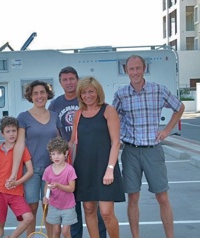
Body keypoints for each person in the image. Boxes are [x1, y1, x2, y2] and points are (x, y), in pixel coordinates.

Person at [112, 54, 185, 238]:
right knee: (133, 197)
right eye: (131, 69)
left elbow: (179, 107)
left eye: (138, 68)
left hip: (153, 151)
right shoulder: (121, 94)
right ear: (126, 71)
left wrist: (167, 130)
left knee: (162, 197)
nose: (135, 72)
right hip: (130, 151)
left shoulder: (158, 90)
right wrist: (117, 138)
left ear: (144, 69)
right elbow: (113, 118)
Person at [48, 66, 107, 238]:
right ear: (60, 83)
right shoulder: (56, 104)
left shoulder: (87, 99)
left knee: (92, 205)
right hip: (69, 161)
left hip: (90, 158)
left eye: (71, 79)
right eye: (65, 80)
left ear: (77, 79)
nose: (69, 83)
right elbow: (54, 129)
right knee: (71, 205)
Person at [70, 76, 125, 238]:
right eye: (84, 92)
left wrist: (110, 169)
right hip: (84, 168)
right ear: (80, 95)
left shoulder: (108, 110)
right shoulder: (78, 114)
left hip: (104, 167)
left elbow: (116, 143)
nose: (88, 95)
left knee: (106, 213)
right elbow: (73, 142)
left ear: (97, 92)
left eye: (91, 91)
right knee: (88, 209)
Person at [9, 80, 61, 237]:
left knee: (49, 209)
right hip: (31, 171)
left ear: (47, 94)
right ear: (30, 96)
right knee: (31, 209)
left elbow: (59, 144)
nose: (39, 96)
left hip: (51, 171)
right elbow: (19, 146)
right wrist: (13, 173)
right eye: (35, 93)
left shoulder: (54, 116)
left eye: (42, 92)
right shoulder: (23, 117)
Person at [0, 116, 34, 238]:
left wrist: (17, 182)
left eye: (14, 131)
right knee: (0, 223)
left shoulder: (22, 149)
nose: (11, 134)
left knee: (28, 217)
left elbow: (30, 171)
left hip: (16, 192)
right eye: (8, 131)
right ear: (2, 134)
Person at [42, 137, 78, 238]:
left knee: (66, 231)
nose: (56, 157)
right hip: (54, 205)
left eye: (59, 153)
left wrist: (58, 185)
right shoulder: (48, 170)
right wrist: (46, 197)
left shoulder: (70, 170)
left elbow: (71, 188)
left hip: (68, 206)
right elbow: (47, 187)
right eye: (53, 154)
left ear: (66, 154)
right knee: (56, 230)